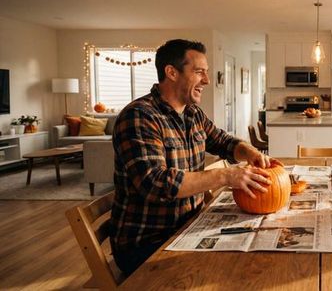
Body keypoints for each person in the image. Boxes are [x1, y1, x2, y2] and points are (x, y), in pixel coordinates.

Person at [109, 39, 272, 275]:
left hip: (188, 228)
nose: (206, 80)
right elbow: (156, 184)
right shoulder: (140, 117)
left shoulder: (192, 113)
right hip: (149, 243)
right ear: (171, 72)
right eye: (199, 72)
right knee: (239, 271)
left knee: (261, 247)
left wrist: (250, 151)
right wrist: (226, 176)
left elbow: (223, 141)